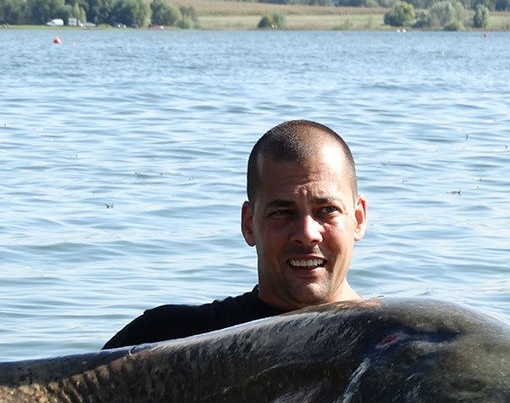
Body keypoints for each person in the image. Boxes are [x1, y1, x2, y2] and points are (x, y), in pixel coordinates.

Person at [102, 119, 367, 349]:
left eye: (326, 210)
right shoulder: (162, 338)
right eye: (282, 213)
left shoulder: (395, 345)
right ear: (248, 224)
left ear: (358, 219)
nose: (307, 233)